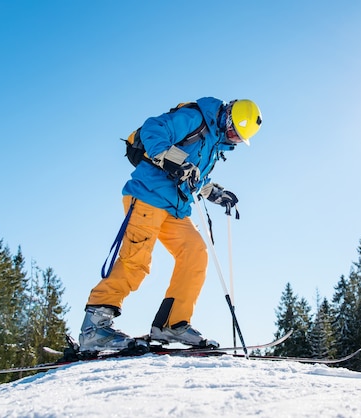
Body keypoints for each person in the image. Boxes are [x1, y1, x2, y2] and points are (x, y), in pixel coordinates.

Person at [79, 97, 262, 353]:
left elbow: (193, 176)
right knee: (136, 261)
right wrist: (176, 159)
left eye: (238, 139)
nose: (232, 138)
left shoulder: (214, 144)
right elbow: (153, 130)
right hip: (148, 195)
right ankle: (94, 327)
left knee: (195, 253)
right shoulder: (195, 118)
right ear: (227, 116)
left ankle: (172, 324)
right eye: (233, 131)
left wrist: (215, 193)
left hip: (175, 207)